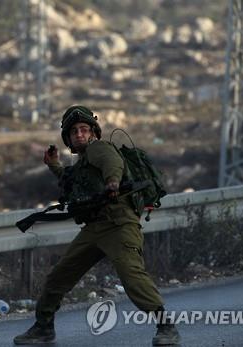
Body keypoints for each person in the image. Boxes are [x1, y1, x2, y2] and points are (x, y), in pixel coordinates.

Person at [13, 106, 180, 346]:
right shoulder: (82, 164)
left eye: (84, 130)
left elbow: (112, 163)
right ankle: (43, 327)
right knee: (59, 276)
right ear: (68, 139)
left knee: (132, 276)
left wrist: (113, 182)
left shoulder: (99, 148)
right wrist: (54, 165)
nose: (79, 134)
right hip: (94, 228)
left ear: (93, 133)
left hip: (119, 224)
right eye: (74, 132)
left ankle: (166, 326)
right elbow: (72, 183)